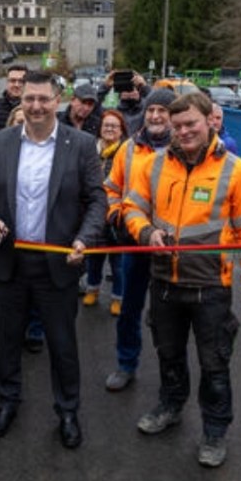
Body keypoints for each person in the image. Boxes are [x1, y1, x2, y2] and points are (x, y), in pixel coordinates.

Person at [123, 92, 241, 467]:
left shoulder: (236, 171)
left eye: (191, 124)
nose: (184, 131)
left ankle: (215, 430)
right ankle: (170, 406)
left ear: (210, 121)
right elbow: (132, 207)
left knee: (214, 363)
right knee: (168, 354)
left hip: (211, 289)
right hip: (164, 282)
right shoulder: (154, 164)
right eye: (178, 125)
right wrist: (145, 232)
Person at [0, 70, 107, 449]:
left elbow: (97, 200)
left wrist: (84, 238)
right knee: (8, 340)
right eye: (29, 99)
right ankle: (7, 401)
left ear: (57, 101)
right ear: (22, 101)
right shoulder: (0, 143)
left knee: (62, 343)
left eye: (43, 99)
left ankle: (67, 410)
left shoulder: (80, 145)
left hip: (58, 264)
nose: (35, 106)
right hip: (9, 261)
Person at [100, 88, 176, 391]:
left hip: (172, 247)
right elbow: (111, 188)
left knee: (167, 316)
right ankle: (126, 363)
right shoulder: (128, 148)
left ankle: (171, 378)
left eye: (162, 111)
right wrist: (116, 215)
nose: (155, 116)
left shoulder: (184, 147)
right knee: (130, 308)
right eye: (151, 110)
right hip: (134, 241)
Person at [82, 110, 127, 313]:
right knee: (94, 259)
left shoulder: (126, 152)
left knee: (118, 264)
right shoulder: (90, 149)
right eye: (106, 125)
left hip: (116, 215)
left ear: (121, 130)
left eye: (114, 126)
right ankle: (93, 290)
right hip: (94, 213)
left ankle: (118, 297)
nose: (109, 129)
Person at [97, 70, 150, 135]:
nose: (129, 92)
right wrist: (105, 86)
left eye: (132, 88)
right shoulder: (112, 113)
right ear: (120, 93)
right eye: (125, 89)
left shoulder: (146, 111)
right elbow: (94, 105)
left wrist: (144, 86)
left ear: (139, 91)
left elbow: (159, 103)